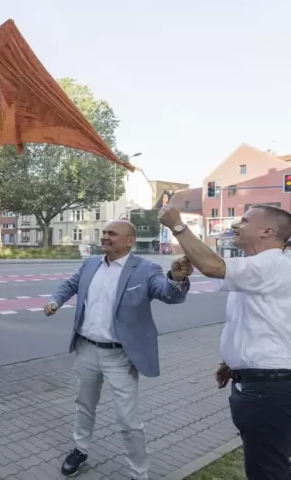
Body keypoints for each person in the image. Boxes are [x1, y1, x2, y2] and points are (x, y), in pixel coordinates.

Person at [45, 220, 192, 479]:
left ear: (130, 240)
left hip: (120, 356)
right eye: (104, 233)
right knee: (84, 405)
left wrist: (176, 279)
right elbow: (71, 284)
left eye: (112, 234)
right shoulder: (91, 264)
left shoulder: (146, 269)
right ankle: (80, 449)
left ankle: (139, 472)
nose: (105, 237)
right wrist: (56, 300)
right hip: (87, 349)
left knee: (128, 419)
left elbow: (168, 294)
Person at [159, 203, 291, 480]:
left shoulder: (272, 264)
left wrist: (178, 226)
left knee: (266, 470)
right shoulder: (261, 268)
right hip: (263, 382)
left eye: (243, 220)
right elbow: (261, 322)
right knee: (270, 461)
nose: (235, 225)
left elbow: (212, 266)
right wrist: (230, 362)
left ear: (267, 231)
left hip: (268, 387)